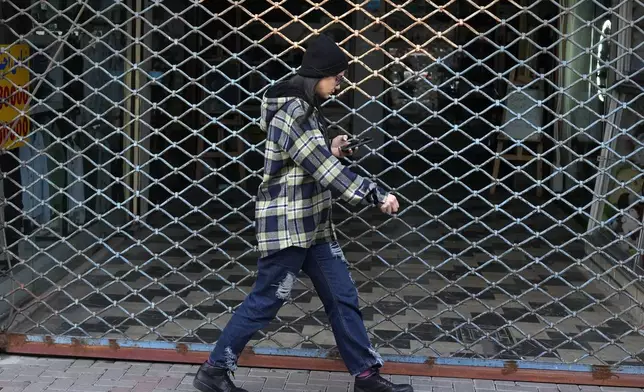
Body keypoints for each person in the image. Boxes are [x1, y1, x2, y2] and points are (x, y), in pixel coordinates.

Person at [194, 34, 411, 392]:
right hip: (288, 226)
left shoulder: (305, 109)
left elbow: (311, 157)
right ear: (320, 75)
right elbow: (321, 168)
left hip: (314, 227)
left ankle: (366, 376)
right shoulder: (292, 113)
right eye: (337, 77)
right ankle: (214, 371)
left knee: (342, 298)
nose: (339, 84)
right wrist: (374, 194)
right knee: (266, 299)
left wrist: (332, 147)